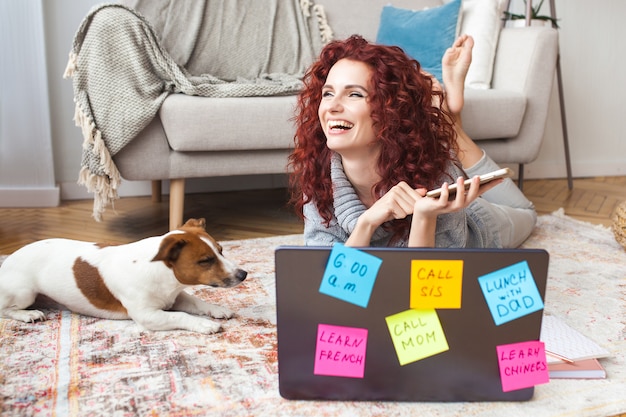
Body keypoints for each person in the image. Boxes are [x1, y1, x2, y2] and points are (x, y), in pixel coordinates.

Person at [288, 34, 537, 248]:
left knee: (528, 213)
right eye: (328, 93)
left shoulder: (434, 172)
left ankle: (451, 120)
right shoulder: (319, 178)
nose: (332, 106)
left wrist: (424, 218)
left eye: (354, 94)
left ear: (390, 111)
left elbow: (422, 293)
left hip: (478, 223)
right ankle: (450, 116)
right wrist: (367, 222)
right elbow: (335, 286)